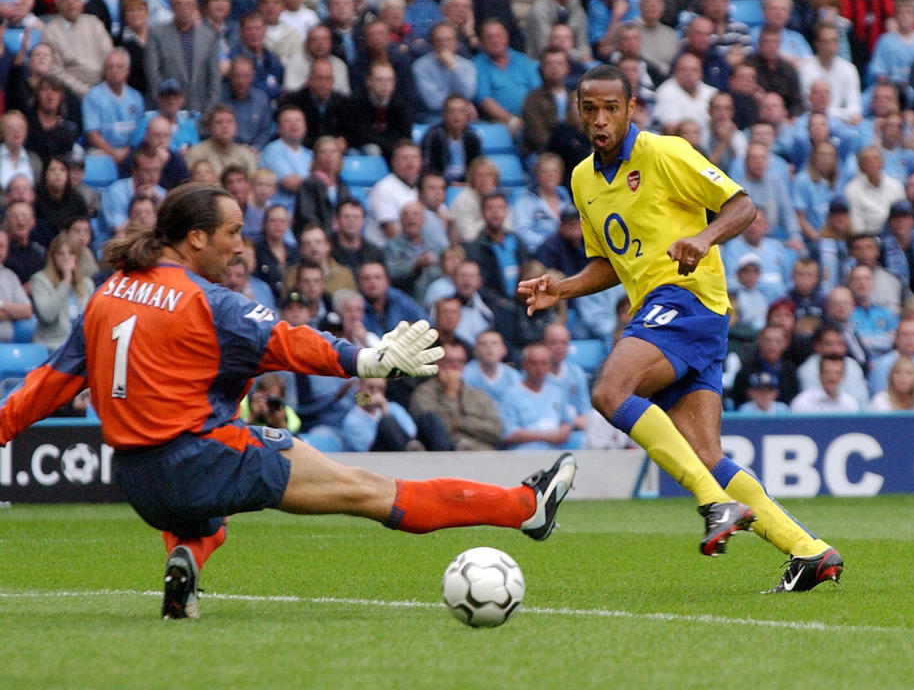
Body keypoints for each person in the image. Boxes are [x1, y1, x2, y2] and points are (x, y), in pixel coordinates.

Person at [0, 182, 577, 620]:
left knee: (207, 521)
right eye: (231, 232)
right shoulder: (210, 302)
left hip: (140, 484)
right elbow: (289, 341)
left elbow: (47, 384)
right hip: (203, 456)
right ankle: (524, 507)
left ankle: (187, 564)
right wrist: (365, 360)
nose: (239, 244)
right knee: (372, 491)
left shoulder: (107, 294)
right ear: (196, 237)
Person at [518, 64, 842, 592]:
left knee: (609, 390)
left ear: (630, 110)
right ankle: (809, 551)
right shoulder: (582, 180)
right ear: (578, 112)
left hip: (688, 298)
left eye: (611, 108)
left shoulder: (664, 153)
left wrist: (705, 238)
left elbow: (743, 206)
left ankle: (716, 505)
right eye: (590, 109)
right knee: (705, 454)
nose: (600, 119)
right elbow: (610, 260)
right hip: (668, 314)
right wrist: (564, 286)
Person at [409, 340, 503, 450]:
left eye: (460, 361)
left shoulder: (478, 395)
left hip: (481, 453)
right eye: (449, 361)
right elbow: (438, 429)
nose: (455, 366)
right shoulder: (424, 393)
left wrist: (461, 423)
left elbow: (496, 431)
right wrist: (450, 394)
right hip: (445, 455)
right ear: (437, 363)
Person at [29, 232, 94, 351]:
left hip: (80, 350)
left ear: (77, 257)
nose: (66, 257)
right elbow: (47, 315)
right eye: (60, 253)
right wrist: (66, 281)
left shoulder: (87, 284)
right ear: (52, 257)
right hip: (51, 348)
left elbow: (92, 320)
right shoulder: (40, 280)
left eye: (71, 253)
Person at [790, 354, 860, 413]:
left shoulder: (850, 403)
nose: (832, 377)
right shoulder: (802, 402)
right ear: (820, 375)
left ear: (843, 376)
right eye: (827, 372)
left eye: (837, 373)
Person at [0, 228, 34, 342]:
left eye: (2, 246)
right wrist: (14, 313)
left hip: (6, 343)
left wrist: (2, 305)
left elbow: (27, 311)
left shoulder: (10, 276)